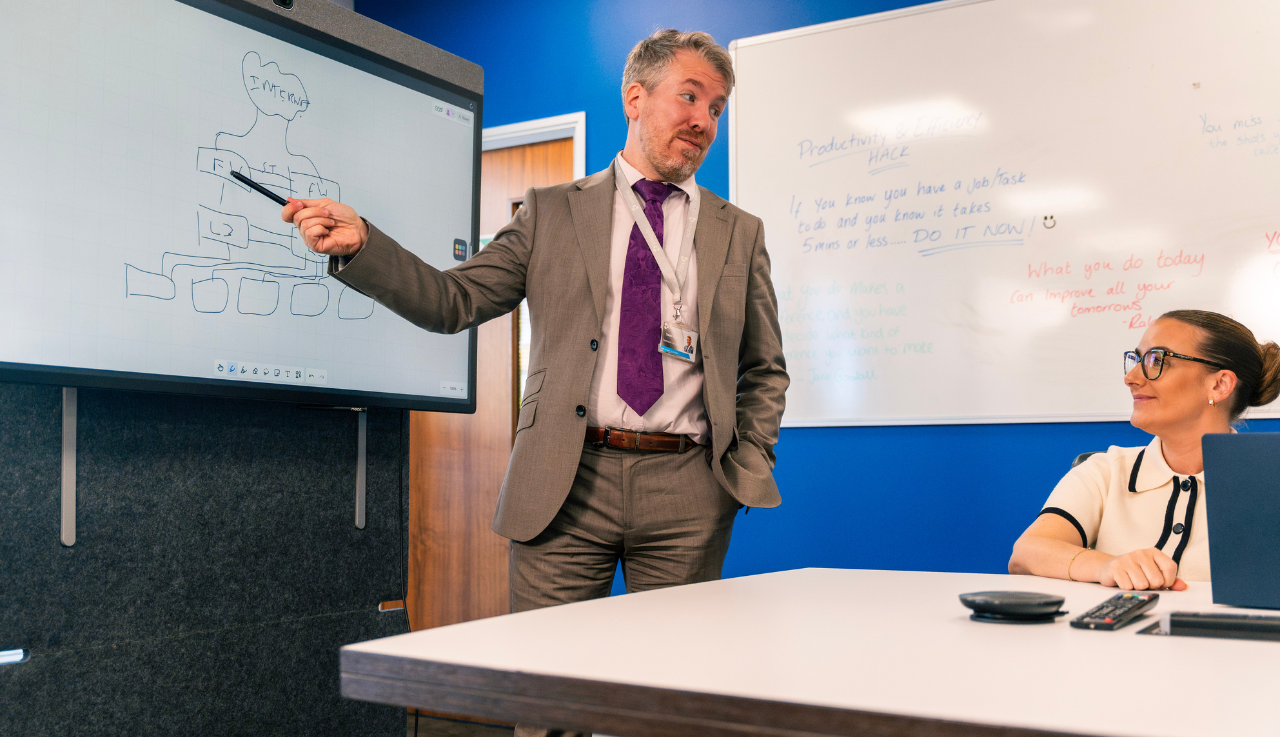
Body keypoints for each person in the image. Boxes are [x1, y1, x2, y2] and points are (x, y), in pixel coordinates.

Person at [282, 30, 787, 734]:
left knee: (672, 704)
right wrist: (366, 244)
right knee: (549, 700)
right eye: (691, 96)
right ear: (635, 98)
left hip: (687, 491)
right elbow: (449, 300)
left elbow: (765, 366)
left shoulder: (740, 232)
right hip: (565, 483)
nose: (705, 119)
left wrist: (745, 459)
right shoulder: (551, 213)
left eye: (718, 107)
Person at [1010, 310, 1280, 590]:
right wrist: (1106, 565)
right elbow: (1026, 553)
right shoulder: (1106, 471)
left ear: (1219, 384)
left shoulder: (1268, 480)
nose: (1132, 378)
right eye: (1136, 359)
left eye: (1157, 359)